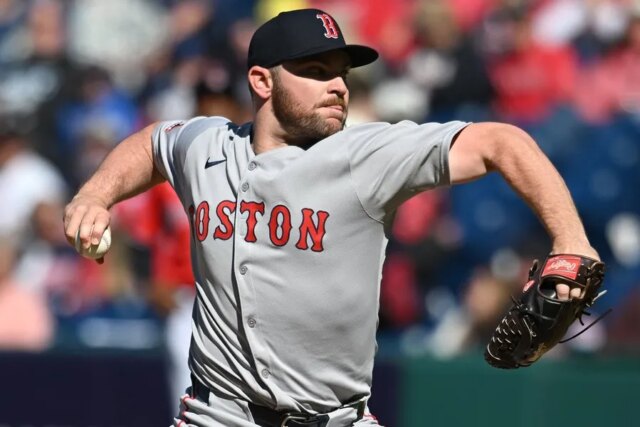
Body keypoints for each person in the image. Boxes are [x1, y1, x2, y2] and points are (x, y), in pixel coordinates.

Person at [63, 8, 600, 427]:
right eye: (316, 72)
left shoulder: (366, 156)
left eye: (341, 73)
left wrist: (570, 239)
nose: (339, 86)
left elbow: (501, 142)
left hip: (334, 418)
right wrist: (95, 195)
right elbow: (154, 145)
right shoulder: (209, 145)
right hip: (217, 413)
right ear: (262, 81)